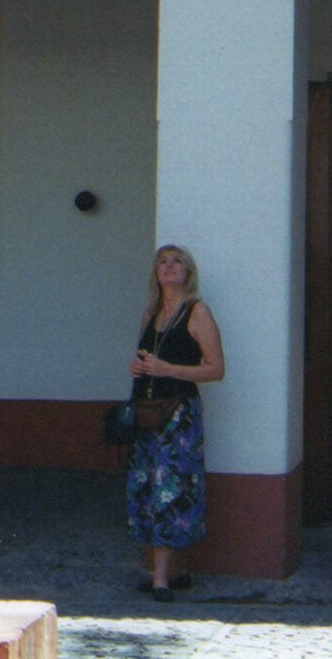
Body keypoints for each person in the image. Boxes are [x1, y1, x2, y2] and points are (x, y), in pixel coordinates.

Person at [126, 244, 225, 602]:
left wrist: (168, 370)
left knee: (172, 491)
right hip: (148, 414)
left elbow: (216, 369)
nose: (168, 268)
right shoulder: (151, 312)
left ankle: (161, 579)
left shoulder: (197, 313)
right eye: (162, 262)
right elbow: (142, 358)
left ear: (189, 273)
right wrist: (137, 368)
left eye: (176, 262)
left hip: (179, 416)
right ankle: (174, 571)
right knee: (148, 490)